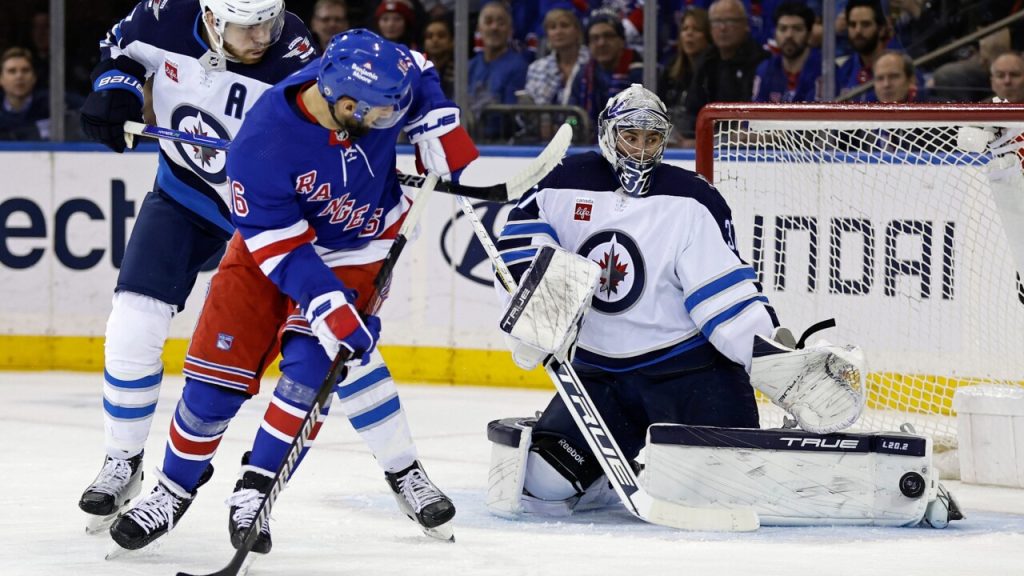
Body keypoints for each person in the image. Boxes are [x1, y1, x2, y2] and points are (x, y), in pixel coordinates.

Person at [108, 28, 479, 552]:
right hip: (270, 253)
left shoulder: (364, 70)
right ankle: (172, 489)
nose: (386, 126)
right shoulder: (261, 146)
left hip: (359, 247)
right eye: (378, 117)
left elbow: (415, 66)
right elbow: (283, 251)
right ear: (344, 103)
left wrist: (435, 120)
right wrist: (329, 306)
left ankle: (255, 492)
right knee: (214, 384)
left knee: (311, 368)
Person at [75, 0, 318, 532]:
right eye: (246, 25)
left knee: (296, 349)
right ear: (210, 19)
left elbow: (323, 139)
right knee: (132, 323)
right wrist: (114, 90)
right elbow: (120, 52)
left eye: (269, 21)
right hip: (183, 196)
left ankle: (256, 486)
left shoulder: (295, 51)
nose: (262, 36)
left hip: (261, 219)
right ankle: (123, 459)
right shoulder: (160, 15)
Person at [492, 84, 778, 515]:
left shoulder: (692, 198)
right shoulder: (561, 184)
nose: (641, 150)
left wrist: (775, 363)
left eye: (652, 139)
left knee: (726, 492)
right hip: (600, 379)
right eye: (631, 136)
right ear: (610, 134)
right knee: (544, 484)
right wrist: (537, 311)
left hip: (689, 375)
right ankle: (605, 475)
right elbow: (517, 249)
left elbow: (726, 300)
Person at [682, 0, 768, 140]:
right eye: (716, 22)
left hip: (744, 143)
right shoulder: (707, 59)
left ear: (745, 25)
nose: (722, 28)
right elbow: (693, 107)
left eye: (730, 21)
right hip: (708, 139)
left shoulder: (759, 60)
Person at [467, 0, 528, 141]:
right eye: (488, 22)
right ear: (479, 29)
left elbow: (509, 116)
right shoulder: (469, 66)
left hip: (501, 143)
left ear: (510, 30)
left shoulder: (519, 66)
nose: (494, 28)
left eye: (501, 23)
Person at [658, 7, 710, 148]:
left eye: (696, 29)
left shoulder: (713, 72)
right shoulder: (670, 69)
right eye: (685, 29)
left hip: (700, 144)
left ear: (708, 35)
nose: (689, 34)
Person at [752, 2, 821, 103]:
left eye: (797, 29)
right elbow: (755, 114)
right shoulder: (765, 69)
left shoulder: (824, 71)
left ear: (809, 34)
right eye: (783, 29)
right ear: (775, 34)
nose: (789, 35)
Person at [836, 0, 889, 101]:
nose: (858, 30)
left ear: (881, 29)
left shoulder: (900, 68)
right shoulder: (845, 70)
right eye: (852, 25)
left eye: (865, 24)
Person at [583, 9, 642, 98]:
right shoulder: (584, 75)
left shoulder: (641, 73)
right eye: (595, 38)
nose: (601, 43)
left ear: (622, 41)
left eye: (608, 36)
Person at [0, 47, 50, 140]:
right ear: (1, 79)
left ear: (34, 77)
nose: (19, 76)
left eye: (25, 70)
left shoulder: (51, 105)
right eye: (12, 71)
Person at [423, 15, 455, 98]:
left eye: (441, 36)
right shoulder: (418, 70)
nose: (435, 40)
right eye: (429, 36)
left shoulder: (461, 71)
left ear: (452, 41)